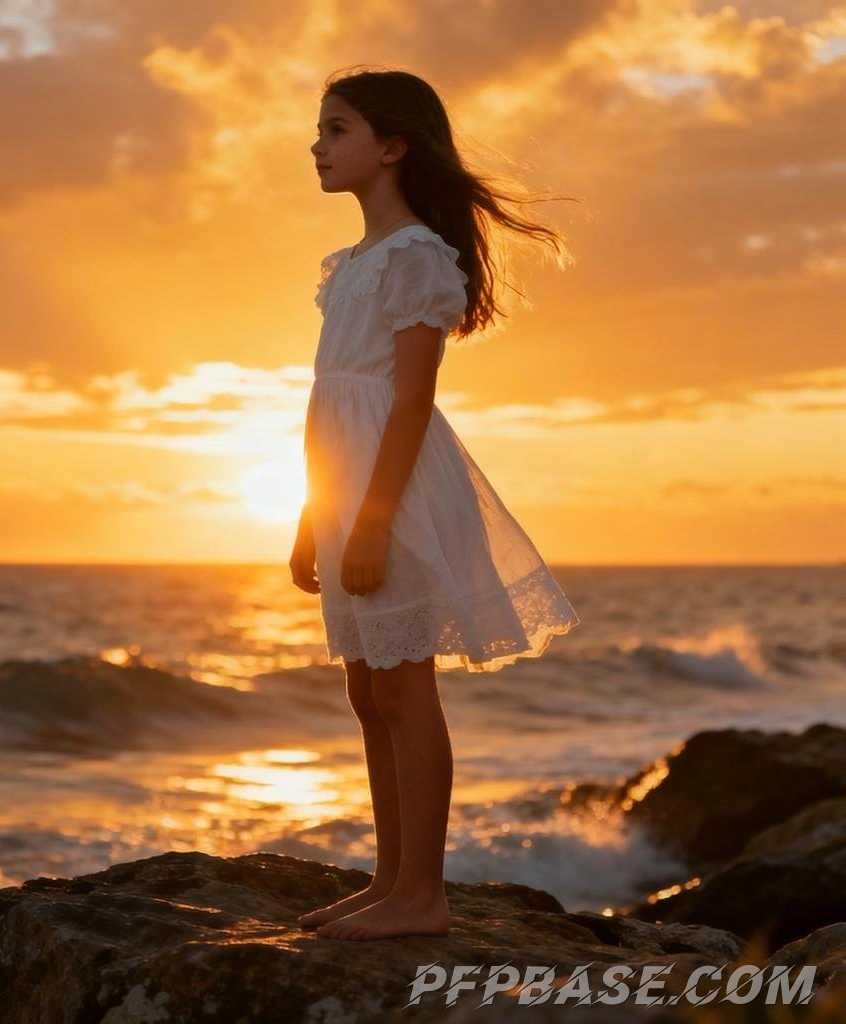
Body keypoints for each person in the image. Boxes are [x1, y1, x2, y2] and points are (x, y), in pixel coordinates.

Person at [289, 67, 581, 941]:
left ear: (392, 146)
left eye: (337, 129)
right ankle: (389, 881)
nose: (317, 144)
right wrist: (312, 515)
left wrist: (373, 518)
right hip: (345, 490)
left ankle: (422, 893)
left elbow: (408, 400)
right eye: (320, 130)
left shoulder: (416, 254)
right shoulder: (348, 266)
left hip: (397, 489)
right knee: (366, 687)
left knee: (405, 688)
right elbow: (326, 399)